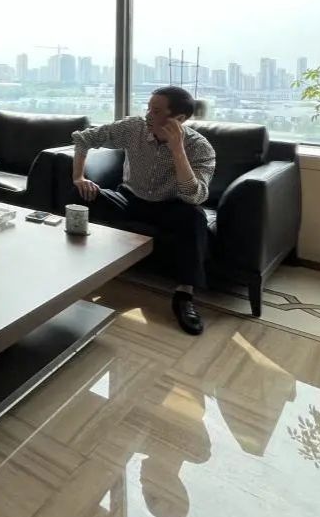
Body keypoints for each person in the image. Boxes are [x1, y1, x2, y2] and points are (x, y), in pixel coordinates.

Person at [72, 86, 216, 335]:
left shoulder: (200, 148)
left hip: (171, 206)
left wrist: (178, 149)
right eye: (148, 108)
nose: (148, 115)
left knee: (194, 217)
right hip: (130, 199)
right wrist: (78, 177)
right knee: (84, 194)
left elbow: (194, 196)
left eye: (156, 111)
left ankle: (184, 296)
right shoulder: (133, 127)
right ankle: (79, 270)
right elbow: (84, 138)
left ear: (178, 118)